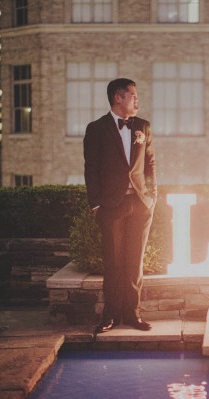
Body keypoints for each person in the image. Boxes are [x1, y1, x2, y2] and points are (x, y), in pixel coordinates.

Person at [84, 78, 157, 333]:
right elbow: (91, 169)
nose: (137, 100)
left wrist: (152, 197)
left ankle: (132, 314)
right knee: (113, 262)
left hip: (140, 203)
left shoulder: (143, 127)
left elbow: (150, 165)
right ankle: (110, 315)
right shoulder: (96, 129)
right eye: (133, 95)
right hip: (110, 206)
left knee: (134, 262)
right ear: (118, 97)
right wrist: (95, 205)